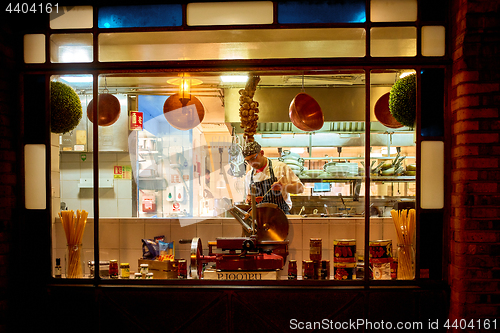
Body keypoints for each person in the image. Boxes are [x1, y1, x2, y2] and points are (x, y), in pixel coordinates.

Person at [242, 141, 304, 215]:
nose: (251, 163)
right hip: (260, 219)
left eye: (253, 158)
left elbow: (300, 188)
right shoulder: (249, 176)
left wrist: (284, 187)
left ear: (261, 153)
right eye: (248, 161)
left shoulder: (280, 167)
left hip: (281, 218)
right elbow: (248, 198)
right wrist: (249, 200)